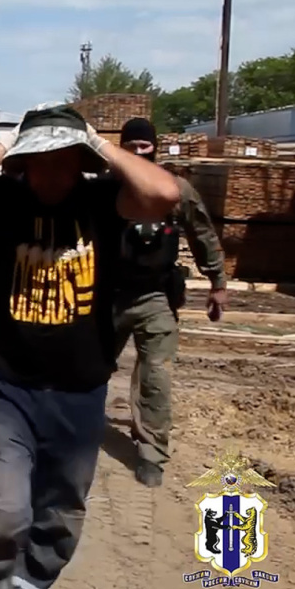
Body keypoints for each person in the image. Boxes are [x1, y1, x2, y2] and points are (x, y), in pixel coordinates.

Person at [0, 103, 180, 589]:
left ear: (80, 159)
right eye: (41, 158)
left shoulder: (104, 201)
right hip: (2, 387)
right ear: (25, 162)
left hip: (79, 391)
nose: (52, 170)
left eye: (64, 157)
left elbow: (163, 195)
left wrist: (98, 142)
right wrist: (11, 142)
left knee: (58, 520)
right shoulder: (3, 200)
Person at [113, 117, 228, 487]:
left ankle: (152, 453)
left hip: (156, 297)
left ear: (155, 147)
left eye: (144, 146)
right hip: (107, 297)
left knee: (156, 377)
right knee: (89, 369)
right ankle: (71, 437)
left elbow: (202, 233)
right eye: (131, 146)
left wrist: (217, 282)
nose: (138, 153)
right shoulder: (106, 189)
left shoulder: (175, 190)